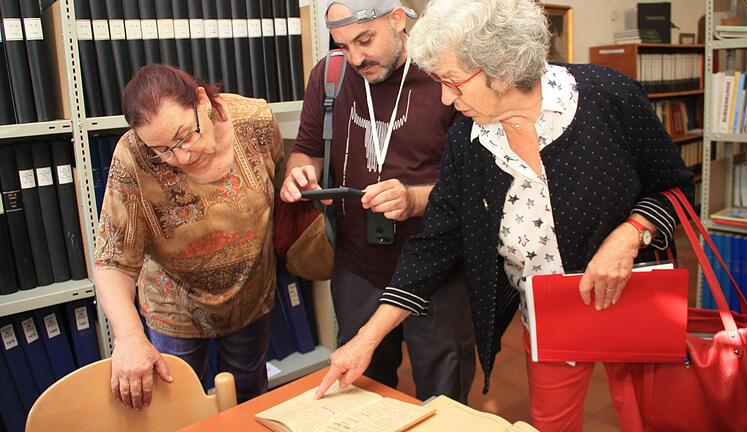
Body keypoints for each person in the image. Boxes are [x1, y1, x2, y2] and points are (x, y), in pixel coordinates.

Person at [315, 0, 695, 430]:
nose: (444, 97)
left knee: (648, 418)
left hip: (632, 301)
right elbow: (434, 244)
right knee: (550, 424)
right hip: (550, 317)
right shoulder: (468, 140)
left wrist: (629, 235)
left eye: (453, 82)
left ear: (503, 67)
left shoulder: (608, 97)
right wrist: (366, 339)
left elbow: (676, 187)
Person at [280, 0, 476, 403]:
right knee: (360, 385)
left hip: (438, 269)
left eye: (364, 40)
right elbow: (306, 149)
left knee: (444, 395)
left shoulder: (445, 72)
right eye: (343, 45)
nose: (355, 57)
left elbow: (478, 184)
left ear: (398, 19)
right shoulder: (329, 75)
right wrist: (299, 171)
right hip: (358, 267)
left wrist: (416, 198)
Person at [93, 64, 282, 409]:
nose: (180, 157)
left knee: (249, 402)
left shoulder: (255, 120)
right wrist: (129, 336)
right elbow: (112, 260)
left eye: (184, 136)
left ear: (201, 100)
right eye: (162, 149)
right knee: (176, 411)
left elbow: (283, 189)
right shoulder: (132, 155)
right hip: (175, 309)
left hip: (250, 298)